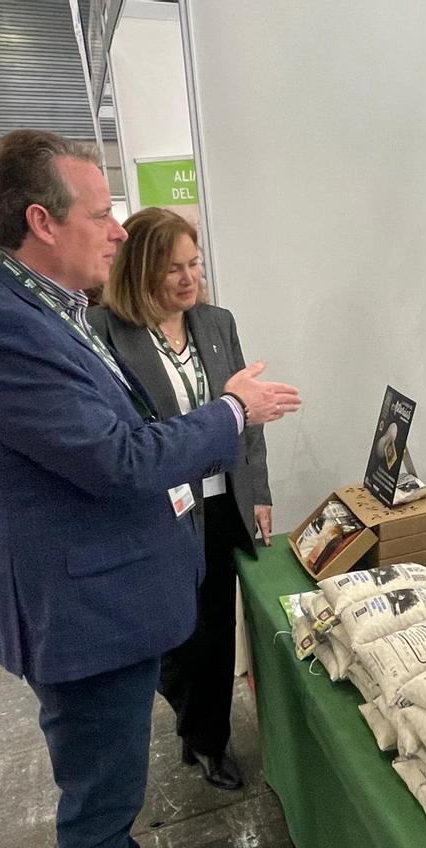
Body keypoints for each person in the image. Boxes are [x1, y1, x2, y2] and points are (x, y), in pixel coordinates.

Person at [0, 129, 301, 848]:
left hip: (106, 593)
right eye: (100, 214)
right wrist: (232, 409)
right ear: (41, 221)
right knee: (97, 807)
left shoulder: (50, 309)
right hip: (82, 610)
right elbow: (121, 458)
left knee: (115, 790)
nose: (119, 231)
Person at [88, 207, 271, 792]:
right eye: (174, 269)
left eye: (195, 265)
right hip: (161, 508)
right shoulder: (107, 332)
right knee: (174, 634)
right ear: (142, 270)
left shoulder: (217, 323)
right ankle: (193, 721)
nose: (189, 279)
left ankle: (210, 742)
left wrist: (258, 490)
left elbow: (250, 415)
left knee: (215, 629)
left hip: (221, 503)